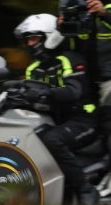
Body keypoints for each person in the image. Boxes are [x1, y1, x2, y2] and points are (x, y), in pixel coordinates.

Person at [14, 14, 100, 205]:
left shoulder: (68, 59)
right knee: (26, 137)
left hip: (83, 120)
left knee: (52, 140)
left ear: (49, 36)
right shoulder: (33, 69)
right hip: (56, 121)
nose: (29, 43)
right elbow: (30, 97)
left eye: (34, 38)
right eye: (27, 39)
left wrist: (45, 93)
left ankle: (86, 190)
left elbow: (74, 91)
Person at [58, 0, 111, 161]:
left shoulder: (106, 9)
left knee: (109, 122)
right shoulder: (76, 9)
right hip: (86, 81)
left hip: (108, 79)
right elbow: (69, 50)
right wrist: (60, 27)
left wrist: (105, 15)